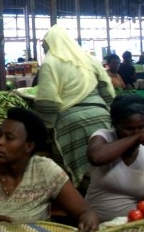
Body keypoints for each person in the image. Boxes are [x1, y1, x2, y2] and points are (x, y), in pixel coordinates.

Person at [0, 107, 99, 232]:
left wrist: (88, 220)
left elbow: (84, 212)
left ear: (28, 146)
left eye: (9, 138)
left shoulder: (45, 170)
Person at [32, 25, 115, 190]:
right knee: (103, 163)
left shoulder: (50, 61)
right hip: (101, 115)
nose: (44, 48)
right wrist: (107, 109)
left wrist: (45, 126)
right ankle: (103, 195)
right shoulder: (88, 58)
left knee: (71, 172)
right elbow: (107, 88)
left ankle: (80, 198)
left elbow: (48, 101)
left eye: (45, 45)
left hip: (71, 122)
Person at [85, 94, 144, 222]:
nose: (137, 132)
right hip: (95, 224)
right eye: (129, 129)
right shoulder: (104, 137)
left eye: (142, 127)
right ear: (116, 125)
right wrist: (137, 138)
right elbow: (96, 157)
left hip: (133, 227)